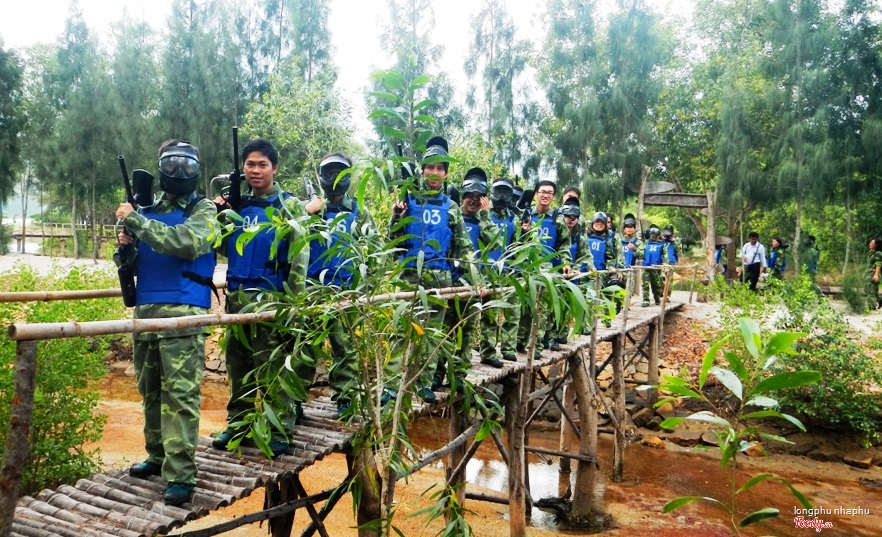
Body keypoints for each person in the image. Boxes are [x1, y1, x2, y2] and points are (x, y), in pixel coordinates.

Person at [114, 139, 217, 506]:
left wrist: (136, 221)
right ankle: (157, 457)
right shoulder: (146, 210)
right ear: (160, 169)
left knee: (181, 396)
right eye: (172, 164)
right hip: (146, 313)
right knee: (150, 391)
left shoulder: (203, 209)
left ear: (197, 170)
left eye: (187, 165)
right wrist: (126, 245)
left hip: (184, 315)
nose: (180, 171)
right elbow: (130, 264)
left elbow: (186, 243)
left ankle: (181, 475)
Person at [211, 139, 312, 456]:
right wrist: (221, 216)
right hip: (236, 299)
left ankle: (278, 429)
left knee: (273, 369)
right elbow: (223, 247)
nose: (255, 170)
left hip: (271, 301)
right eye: (250, 164)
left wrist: (294, 305)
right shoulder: (238, 206)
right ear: (243, 168)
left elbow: (300, 257)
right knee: (237, 366)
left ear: (275, 168)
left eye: (262, 164)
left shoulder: (288, 206)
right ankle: (238, 426)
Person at [390, 135, 477, 403]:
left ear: (446, 174)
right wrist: (396, 217)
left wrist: (476, 278)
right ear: (422, 171)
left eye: (440, 168)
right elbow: (392, 243)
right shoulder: (407, 201)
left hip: (439, 280)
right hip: (408, 278)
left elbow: (463, 247)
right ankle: (391, 386)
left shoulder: (452, 207)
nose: (435, 173)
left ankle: (423, 383)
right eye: (430, 167)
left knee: (431, 335)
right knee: (401, 332)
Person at [305, 152, 376, 417]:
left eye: (340, 172)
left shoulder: (358, 211)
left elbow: (376, 248)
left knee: (345, 348)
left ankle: (346, 398)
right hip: (311, 290)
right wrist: (306, 214)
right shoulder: (309, 208)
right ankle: (294, 402)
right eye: (329, 172)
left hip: (346, 290)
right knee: (304, 347)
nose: (334, 178)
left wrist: (364, 288)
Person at [517, 179, 572, 353]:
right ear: (536, 194)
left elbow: (564, 244)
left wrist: (566, 263)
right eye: (542, 192)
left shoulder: (557, 218)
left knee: (541, 309)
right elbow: (515, 243)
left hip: (547, 271)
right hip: (526, 268)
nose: (545, 195)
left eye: (549, 193)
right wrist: (524, 233)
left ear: (553, 197)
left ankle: (537, 346)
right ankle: (519, 342)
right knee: (523, 306)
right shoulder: (526, 215)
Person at [479, 177, 522, 362]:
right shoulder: (482, 214)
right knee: (490, 314)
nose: (502, 196)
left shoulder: (515, 219)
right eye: (498, 192)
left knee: (513, 312)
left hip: (509, 272)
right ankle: (488, 352)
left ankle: (509, 348)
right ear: (491, 192)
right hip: (488, 271)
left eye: (506, 192)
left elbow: (518, 246)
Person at [562, 199, 594, 332]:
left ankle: (562, 334)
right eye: (568, 217)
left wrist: (579, 268)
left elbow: (585, 254)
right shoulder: (558, 232)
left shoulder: (579, 237)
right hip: (556, 272)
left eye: (574, 218)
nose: (571, 220)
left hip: (572, 275)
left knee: (567, 304)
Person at [642, 225, 667, 306]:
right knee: (645, 284)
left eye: (655, 236)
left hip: (656, 268)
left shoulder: (662, 245)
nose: (653, 237)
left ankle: (657, 298)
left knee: (656, 285)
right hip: (646, 266)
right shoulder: (645, 243)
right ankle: (646, 300)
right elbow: (641, 253)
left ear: (658, 236)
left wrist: (665, 265)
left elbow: (665, 256)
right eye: (652, 236)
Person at [866, 238, 882, 311]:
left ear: (876, 245)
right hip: (869, 274)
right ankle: (880, 301)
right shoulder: (871, 253)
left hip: (873, 274)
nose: (870, 244)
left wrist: (876, 275)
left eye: (872, 243)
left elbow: (879, 264)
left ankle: (872, 307)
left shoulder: (878, 254)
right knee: (871, 290)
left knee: (870, 291)